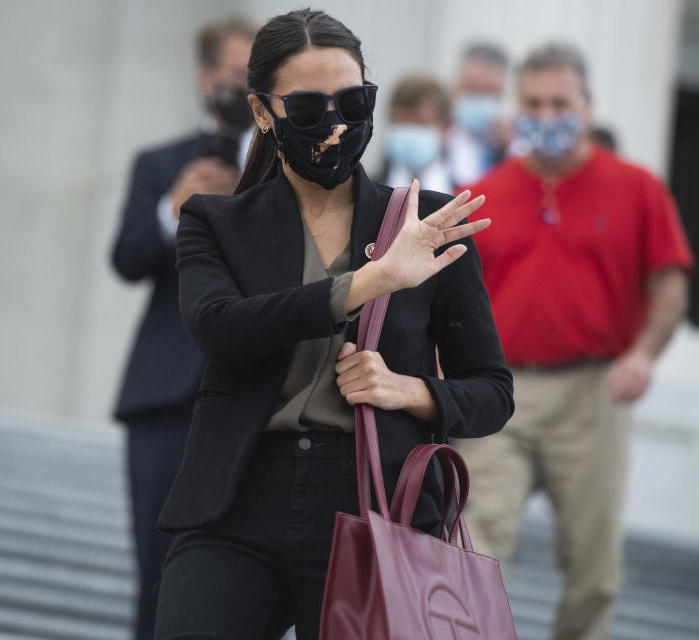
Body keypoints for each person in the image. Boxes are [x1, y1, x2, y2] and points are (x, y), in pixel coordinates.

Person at [151, 9, 514, 640]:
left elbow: (492, 392)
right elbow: (222, 328)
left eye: (353, 101)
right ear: (263, 112)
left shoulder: (430, 224)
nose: (337, 124)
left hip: (377, 503)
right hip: (237, 499)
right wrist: (373, 280)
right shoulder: (215, 221)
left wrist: (411, 390)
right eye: (310, 108)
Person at [459, 42, 693, 640]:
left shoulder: (638, 188)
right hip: (499, 393)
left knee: (594, 573)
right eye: (533, 102)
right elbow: (451, 299)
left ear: (587, 105)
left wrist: (644, 355)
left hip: (592, 392)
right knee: (473, 550)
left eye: (559, 101)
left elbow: (671, 280)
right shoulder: (482, 191)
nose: (546, 113)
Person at [108, 17, 256, 640]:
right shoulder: (160, 163)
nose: (245, 94)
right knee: (157, 572)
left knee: (245, 585)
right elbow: (127, 258)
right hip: (166, 399)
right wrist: (176, 207)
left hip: (254, 401)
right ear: (204, 78)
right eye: (234, 78)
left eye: (259, 81)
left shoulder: (290, 175)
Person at [446, 43, 513, 187]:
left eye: (489, 92)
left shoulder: (517, 146)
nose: (480, 99)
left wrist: (507, 151)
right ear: (456, 86)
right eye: (472, 89)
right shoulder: (435, 138)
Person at [377, 74, 454, 194]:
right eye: (403, 123)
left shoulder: (466, 191)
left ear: (445, 127)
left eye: (421, 124)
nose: (411, 131)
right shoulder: (366, 192)